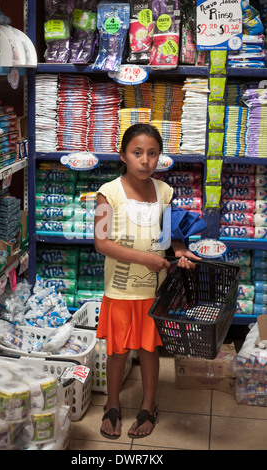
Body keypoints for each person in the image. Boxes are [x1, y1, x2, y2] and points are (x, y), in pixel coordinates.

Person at [93, 123, 200, 440]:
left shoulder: (164, 192)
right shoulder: (108, 193)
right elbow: (101, 243)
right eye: (137, 153)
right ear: (123, 155)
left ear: (159, 157)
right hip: (120, 291)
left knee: (150, 349)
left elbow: (170, 239)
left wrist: (181, 252)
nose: (145, 160)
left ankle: (148, 405)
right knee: (117, 352)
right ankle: (112, 404)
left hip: (154, 293)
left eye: (152, 154)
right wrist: (146, 259)